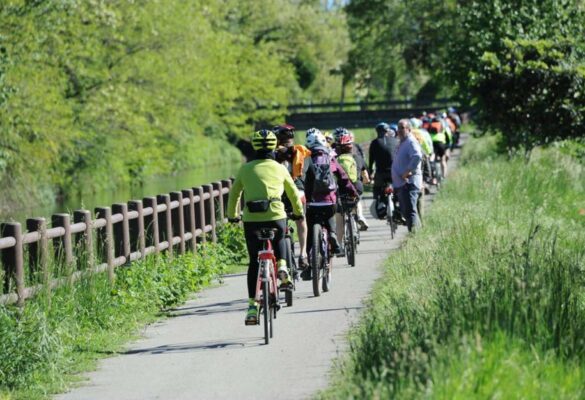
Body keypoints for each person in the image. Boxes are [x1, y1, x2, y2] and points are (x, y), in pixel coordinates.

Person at [227, 129, 304, 324]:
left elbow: (234, 194)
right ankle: (283, 266)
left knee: (254, 261)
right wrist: (298, 212)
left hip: (252, 219)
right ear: (273, 146)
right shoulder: (279, 168)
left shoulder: (245, 169)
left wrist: (232, 216)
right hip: (276, 215)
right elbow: (293, 193)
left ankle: (253, 306)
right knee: (280, 239)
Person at [303, 131, 358, 278]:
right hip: (329, 200)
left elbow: (302, 181)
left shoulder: (306, 159)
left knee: (310, 232)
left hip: (312, 203)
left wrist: (305, 199)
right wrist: (353, 192)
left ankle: (310, 262)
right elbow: (343, 178)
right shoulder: (330, 157)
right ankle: (332, 235)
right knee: (329, 216)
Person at [273, 124, 311, 271]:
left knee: (277, 222)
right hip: (298, 193)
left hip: (280, 194)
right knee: (301, 220)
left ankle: (278, 257)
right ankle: (303, 254)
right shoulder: (300, 151)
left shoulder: (272, 154)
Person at [333, 127, 369, 230]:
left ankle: (339, 244)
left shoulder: (333, 159)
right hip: (356, 186)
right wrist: (366, 181)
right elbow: (365, 175)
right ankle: (360, 216)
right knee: (356, 198)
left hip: (340, 189)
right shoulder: (357, 157)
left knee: (339, 217)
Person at [391, 119, 423, 232]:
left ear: (409, 129)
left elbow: (417, 156)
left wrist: (408, 171)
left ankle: (415, 236)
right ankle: (416, 234)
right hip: (402, 184)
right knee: (407, 211)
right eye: (398, 128)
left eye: (402, 128)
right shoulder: (402, 142)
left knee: (410, 211)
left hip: (409, 183)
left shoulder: (410, 141)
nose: (399, 130)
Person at [369, 122, 399, 210]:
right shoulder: (395, 141)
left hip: (380, 173)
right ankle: (398, 202)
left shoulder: (374, 143)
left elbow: (371, 160)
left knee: (377, 188)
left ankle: (379, 201)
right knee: (399, 189)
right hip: (395, 172)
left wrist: (370, 172)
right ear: (387, 131)